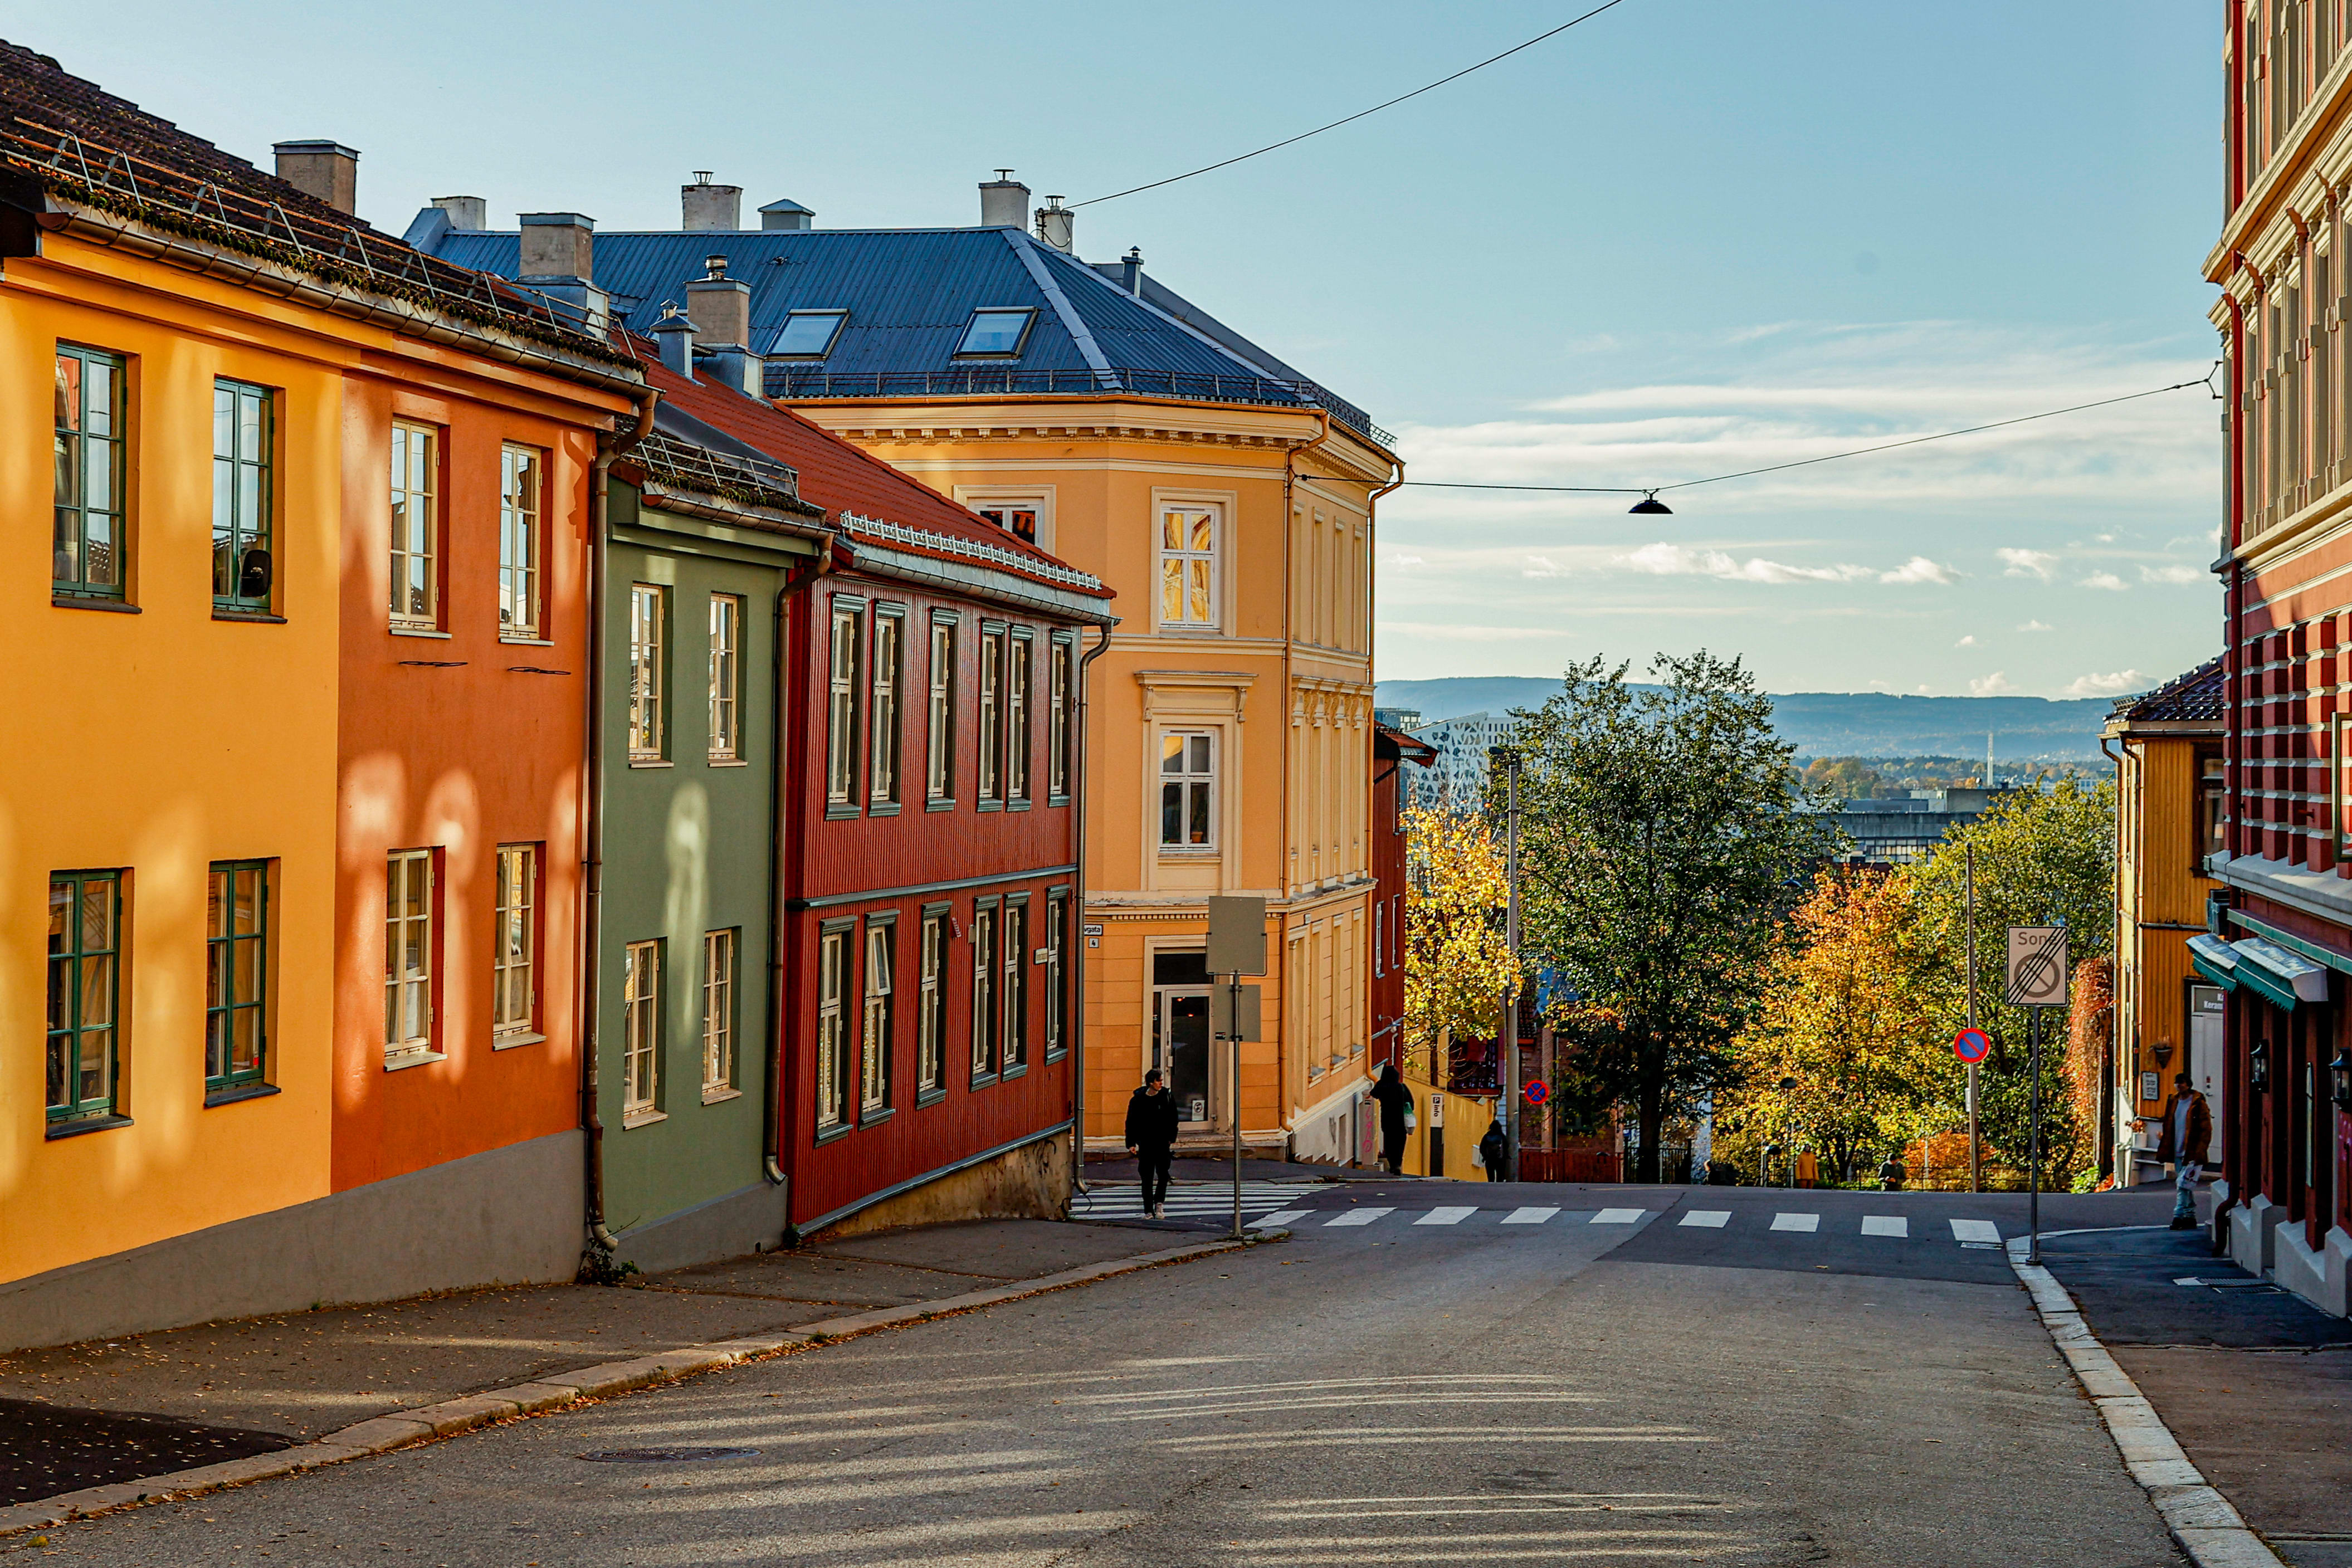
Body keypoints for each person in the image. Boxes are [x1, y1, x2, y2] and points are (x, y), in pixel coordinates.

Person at [2140, 1071, 2213, 1230]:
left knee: (2182, 1184)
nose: (2179, 1086)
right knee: (2185, 1185)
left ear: (2188, 1085)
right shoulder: (2173, 1101)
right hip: (2177, 1150)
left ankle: (2179, 1216)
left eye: (2182, 1083)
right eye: (2177, 1083)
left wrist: (2201, 1150)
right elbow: (2169, 1123)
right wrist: (2165, 1141)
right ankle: (2190, 1216)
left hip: (2191, 1151)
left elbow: (2206, 1129)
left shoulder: (2198, 1103)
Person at [1125, 1068, 1180, 1219]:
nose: (1161, 1083)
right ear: (1151, 1082)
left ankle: (1159, 1204)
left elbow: (1173, 1118)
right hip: (1146, 1143)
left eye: (1161, 1080)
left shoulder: (1167, 1097)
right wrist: (1131, 1143)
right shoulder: (1138, 1099)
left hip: (1162, 1143)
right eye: (1158, 1081)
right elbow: (1131, 1122)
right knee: (1146, 1177)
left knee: (1163, 1175)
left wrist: (1171, 1138)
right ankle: (1148, 1210)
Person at [1368, 1064, 1412, 1174]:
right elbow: (1411, 1103)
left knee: (1389, 1142)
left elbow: (1373, 1094)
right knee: (1400, 1143)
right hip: (1401, 1120)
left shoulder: (1382, 1086)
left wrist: (1381, 1083)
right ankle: (1398, 1164)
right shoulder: (1402, 1087)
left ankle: (1392, 1164)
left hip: (1387, 1119)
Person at [1478, 1118, 1508, 1182]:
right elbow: (1506, 1147)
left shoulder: (1487, 1136)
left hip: (1489, 1159)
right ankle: (1499, 1189)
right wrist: (1506, 1156)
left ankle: (1491, 1187)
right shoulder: (1502, 1136)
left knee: (1491, 1178)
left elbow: (1482, 1147)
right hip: (1500, 1160)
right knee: (1500, 1177)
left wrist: (1485, 1156)